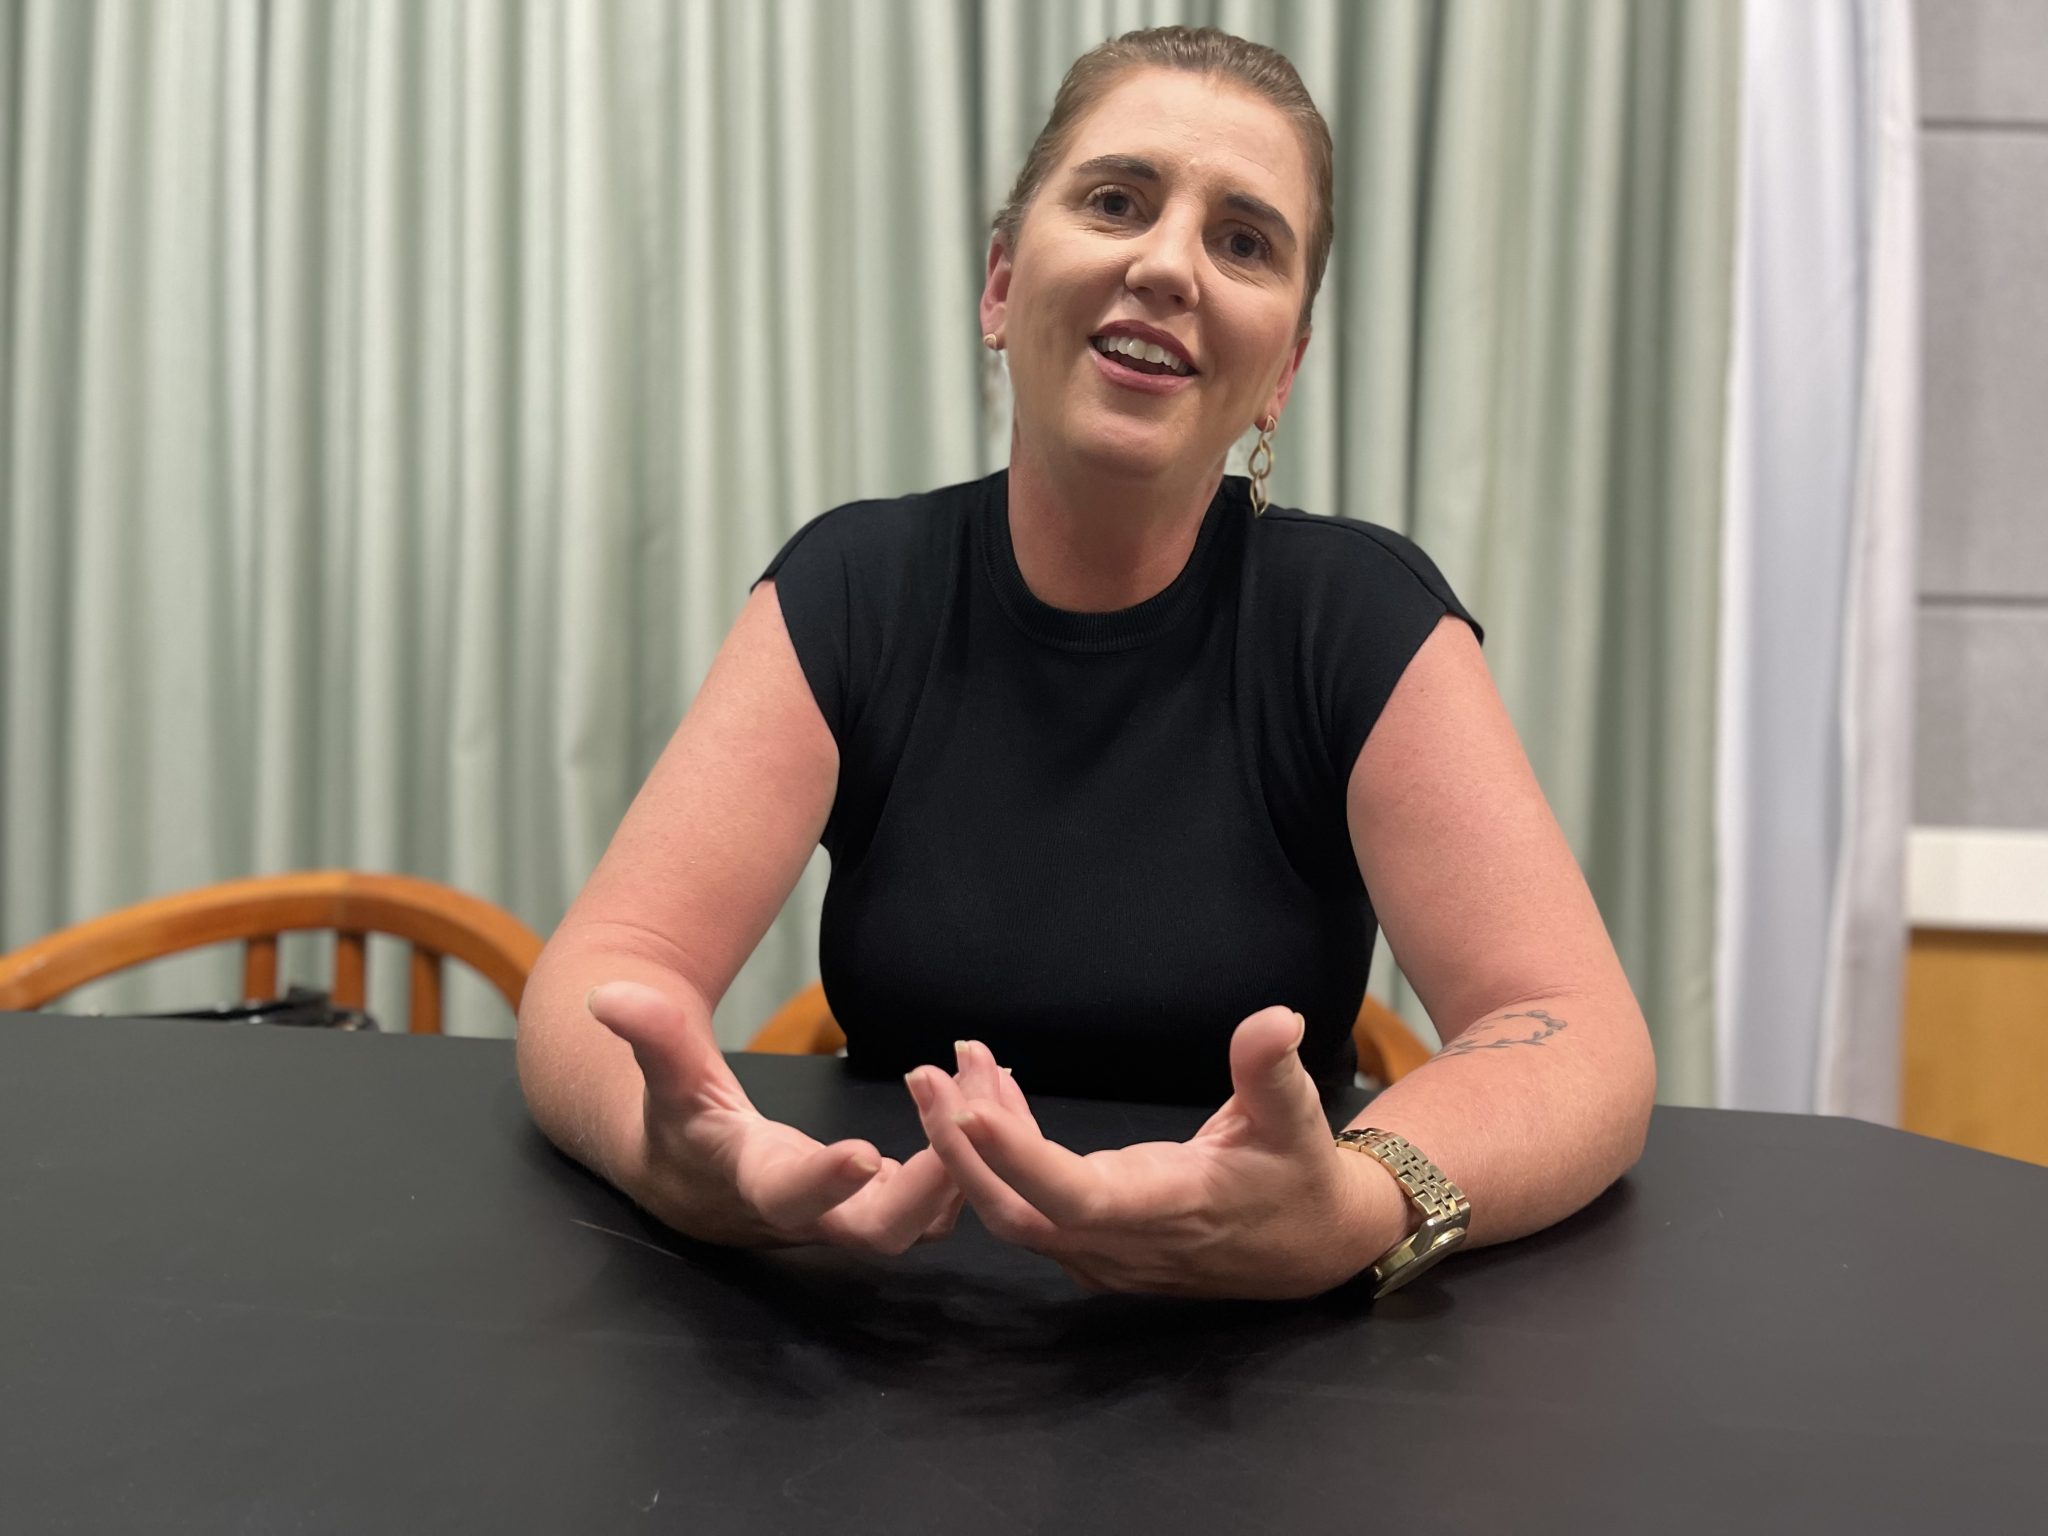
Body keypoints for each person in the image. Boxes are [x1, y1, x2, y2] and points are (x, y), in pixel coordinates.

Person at [516, 26, 1655, 1300]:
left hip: (1267, 1358)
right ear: (1000, 285)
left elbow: (1577, 1037)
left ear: (1280, 371)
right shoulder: (849, 590)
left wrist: (1355, 1204)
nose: (1165, 265)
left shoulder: (1359, 619)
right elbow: (603, 972)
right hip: (892, 1319)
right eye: (1115, 200)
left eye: (1243, 241)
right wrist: (672, 1156)